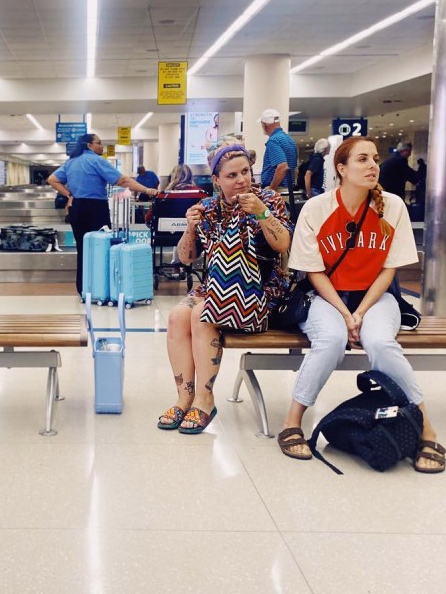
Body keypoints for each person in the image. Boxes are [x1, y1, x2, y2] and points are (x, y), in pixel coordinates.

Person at [277, 136, 445, 473]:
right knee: (332, 340)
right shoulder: (316, 208)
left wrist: (361, 313)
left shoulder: (392, 206)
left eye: (375, 159)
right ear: (341, 168)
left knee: (381, 342)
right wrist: (345, 314)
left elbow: (389, 270)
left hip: (375, 295)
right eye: (362, 159)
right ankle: (292, 422)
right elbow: (313, 273)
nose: (372, 166)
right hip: (327, 296)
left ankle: (427, 428)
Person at [158, 142, 292, 434]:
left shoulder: (268, 199)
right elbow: (186, 258)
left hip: (262, 288)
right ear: (217, 180)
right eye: (232, 175)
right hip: (217, 285)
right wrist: (190, 229)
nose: (242, 179)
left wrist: (262, 213)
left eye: (245, 171)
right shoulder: (207, 208)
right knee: (177, 316)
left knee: (201, 314)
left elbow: (282, 244)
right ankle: (185, 398)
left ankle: (205, 400)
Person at [47, 133, 158, 295]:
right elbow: (122, 181)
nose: (102, 146)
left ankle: (83, 288)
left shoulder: (71, 162)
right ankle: (102, 288)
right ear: (89, 145)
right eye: (99, 143)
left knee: (83, 248)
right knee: (103, 246)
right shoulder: (96, 161)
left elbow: (52, 179)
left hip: (77, 208)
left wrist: (69, 195)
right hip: (96, 208)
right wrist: (147, 190)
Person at [258, 108, 298, 192]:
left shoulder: (273, 140)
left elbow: (282, 167)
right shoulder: (289, 139)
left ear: (265, 124)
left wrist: (271, 189)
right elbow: (295, 169)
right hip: (288, 189)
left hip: (278, 190)